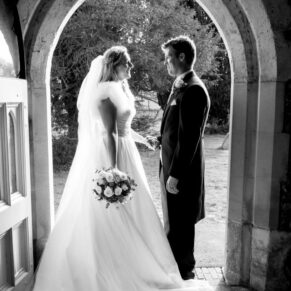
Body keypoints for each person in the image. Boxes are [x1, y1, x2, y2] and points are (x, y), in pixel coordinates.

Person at [32, 46, 206, 291]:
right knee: (110, 213)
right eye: (127, 64)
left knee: (134, 210)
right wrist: (113, 169)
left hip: (127, 152)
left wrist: (144, 139)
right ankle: (111, 266)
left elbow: (123, 129)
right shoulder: (104, 92)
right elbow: (110, 134)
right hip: (112, 156)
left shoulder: (120, 89)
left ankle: (132, 259)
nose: (131, 68)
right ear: (115, 66)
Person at [149, 36, 210, 280]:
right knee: (174, 225)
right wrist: (161, 140)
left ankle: (185, 274)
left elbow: (189, 139)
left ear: (182, 57)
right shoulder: (180, 85)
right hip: (170, 167)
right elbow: (176, 129)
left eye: (169, 57)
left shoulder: (193, 88)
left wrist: (175, 175)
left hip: (181, 174)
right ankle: (175, 273)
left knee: (182, 228)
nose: (166, 63)